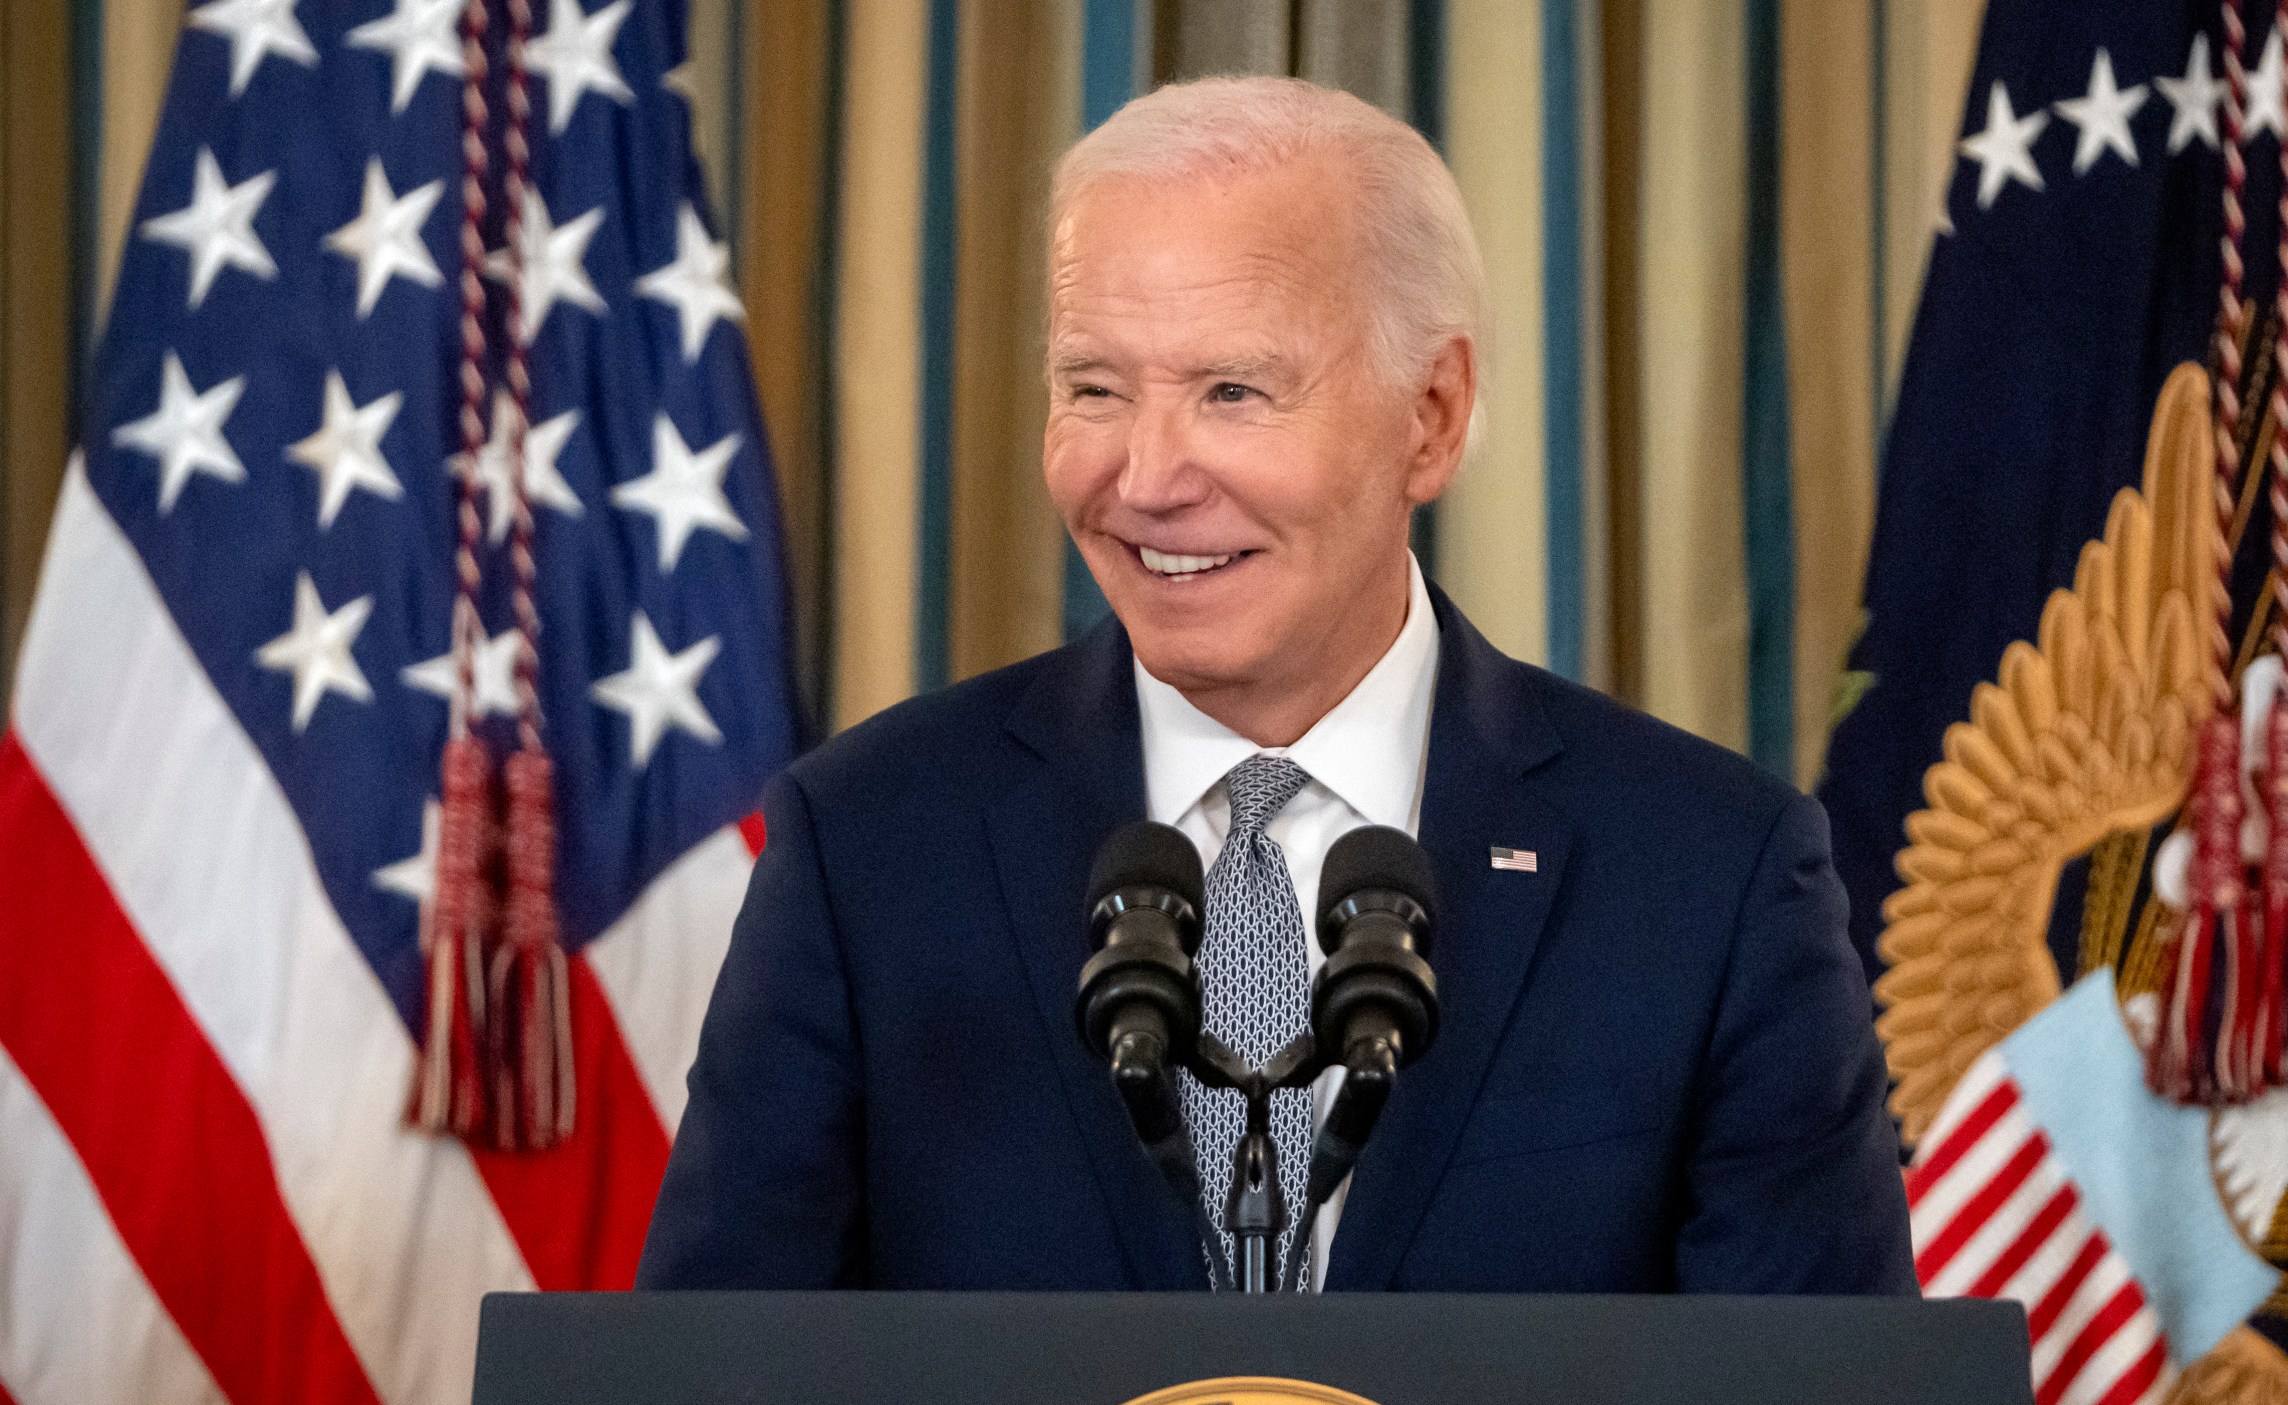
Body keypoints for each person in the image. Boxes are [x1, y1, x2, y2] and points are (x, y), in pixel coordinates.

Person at [638, 75, 1914, 1295]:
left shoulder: (1708, 874)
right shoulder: (867, 845)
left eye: (1232, 392)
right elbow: (710, 1390)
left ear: (1431, 414)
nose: (1143, 478)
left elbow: (1820, 1402)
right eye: (1094, 388)